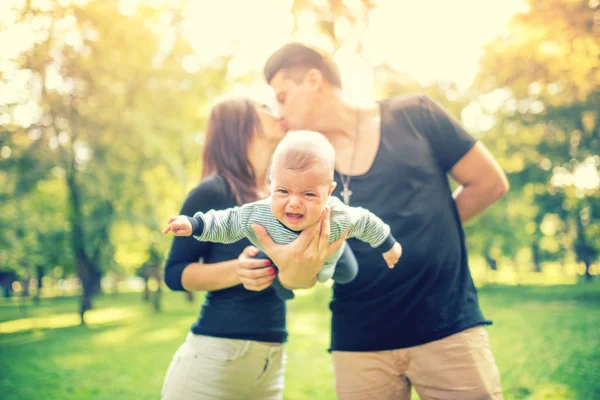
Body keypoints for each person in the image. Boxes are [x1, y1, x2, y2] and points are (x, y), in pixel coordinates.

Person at [249, 42, 510, 400]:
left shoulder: (417, 115)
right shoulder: (303, 168)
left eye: (282, 96)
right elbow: (301, 273)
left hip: (446, 328)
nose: (279, 112)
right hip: (359, 343)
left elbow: (489, 182)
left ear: (313, 79)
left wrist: (433, 232)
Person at [163, 130, 403, 300]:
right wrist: (194, 224)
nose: (294, 203)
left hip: (331, 253)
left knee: (349, 274)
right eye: (283, 191)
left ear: (329, 192)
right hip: (277, 258)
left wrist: (388, 245)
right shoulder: (260, 213)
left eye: (309, 194)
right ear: (271, 185)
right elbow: (227, 221)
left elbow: (368, 221)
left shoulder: (339, 215)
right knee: (271, 275)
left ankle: (337, 265)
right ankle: (282, 285)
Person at [161, 95, 292, 400]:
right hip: (215, 358)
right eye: (265, 107)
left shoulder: (280, 197)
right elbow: (174, 274)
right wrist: (238, 270)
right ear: (241, 126)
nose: (276, 112)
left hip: (271, 360)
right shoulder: (212, 192)